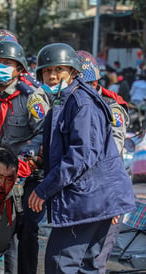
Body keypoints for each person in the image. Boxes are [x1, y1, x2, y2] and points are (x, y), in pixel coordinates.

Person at [28, 43, 136, 274]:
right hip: (91, 198)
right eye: (47, 71)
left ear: (74, 72)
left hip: (88, 200)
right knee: (88, 266)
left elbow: (81, 155)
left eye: (59, 69)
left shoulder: (81, 102)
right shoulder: (64, 100)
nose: (53, 76)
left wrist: (44, 189)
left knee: (60, 263)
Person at [0, 40, 45, 274]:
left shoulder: (32, 97)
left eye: (7, 63)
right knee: (3, 230)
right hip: (2, 177)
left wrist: (25, 161)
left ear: (19, 69)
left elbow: (43, 132)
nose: (1, 67)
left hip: (28, 174)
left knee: (26, 230)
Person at [77, 50, 129, 274]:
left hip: (107, 192)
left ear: (94, 82)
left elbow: (113, 152)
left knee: (94, 260)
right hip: (82, 193)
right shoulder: (73, 102)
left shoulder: (111, 107)